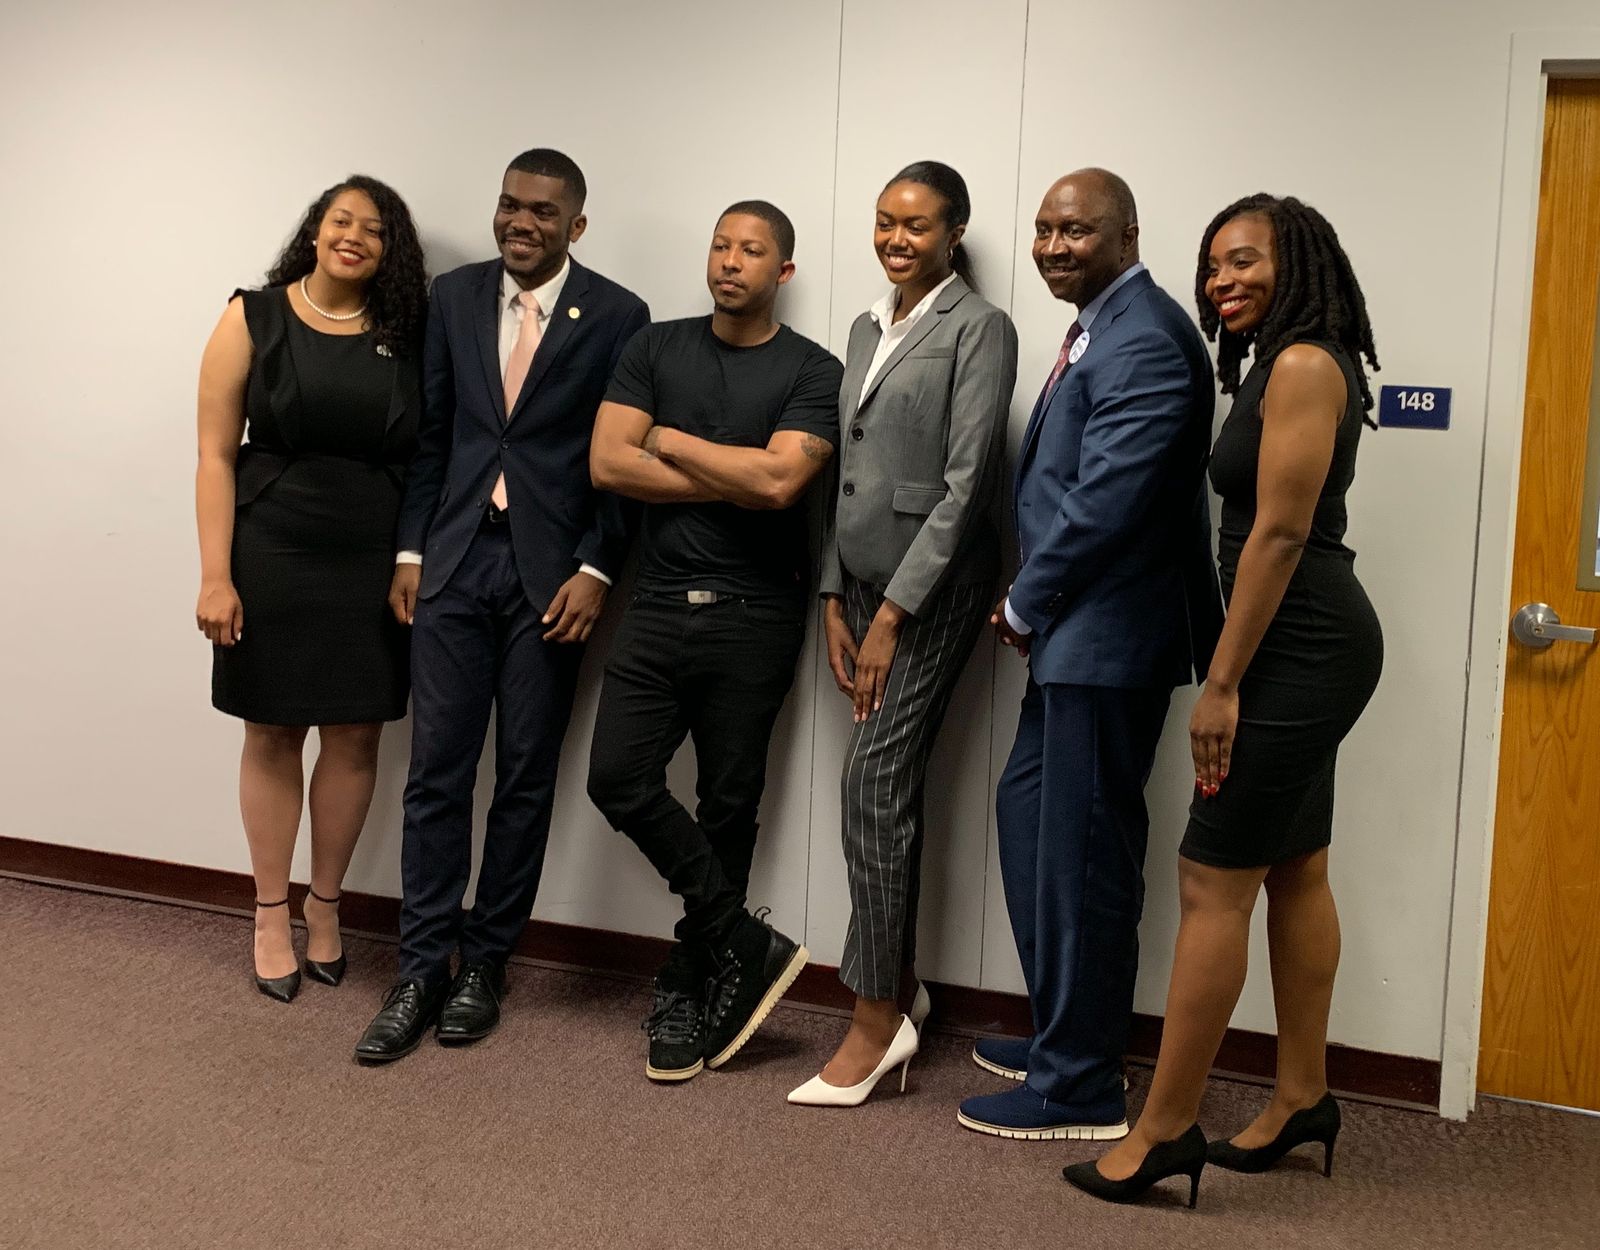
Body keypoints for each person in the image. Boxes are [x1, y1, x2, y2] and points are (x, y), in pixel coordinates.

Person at [1066, 194, 1382, 1207]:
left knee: (1212, 883)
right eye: (1212, 266)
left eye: (1244, 260)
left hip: (1295, 649)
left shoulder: (1304, 365)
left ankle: (1163, 1130)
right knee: (1296, 865)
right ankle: (1301, 1097)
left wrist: (1223, 684)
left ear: (1298, 262)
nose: (1222, 281)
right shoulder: (1285, 360)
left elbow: (1279, 535)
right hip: (1300, 642)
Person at [353, 149, 648, 1062]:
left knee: (523, 775)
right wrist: (411, 551)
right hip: (452, 564)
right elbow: (434, 435)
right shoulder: (454, 298)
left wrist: (598, 567)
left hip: (550, 580)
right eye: (511, 205)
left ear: (576, 224)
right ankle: (418, 969)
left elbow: (620, 457)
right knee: (435, 773)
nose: (522, 222)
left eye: (543, 212)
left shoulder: (618, 315)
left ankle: (486, 963)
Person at [959, 169, 1221, 1139]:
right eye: (1043, 229)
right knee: (1035, 820)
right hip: (1080, 639)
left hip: (1106, 639)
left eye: (1074, 230)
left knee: (1082, 853)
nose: (1053, 246)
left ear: (1127, 234)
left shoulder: (1144, 337)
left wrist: (1026, 601)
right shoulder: (1104, 328)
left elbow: (1107, 499)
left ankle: (1078, 1083)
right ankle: (1068, 1034)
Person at [587, 200, 843, 1083]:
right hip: (656, 603)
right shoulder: (655, 347)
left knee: (729, 806)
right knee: (616, 777)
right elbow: (607, 463)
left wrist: (665, 439)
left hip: (755, 612)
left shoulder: (814, 369)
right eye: (721, 245)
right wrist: (736, 471)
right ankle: (741, 936)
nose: (731, 261)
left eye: (752, 250)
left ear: (784, 271)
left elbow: (778, 486)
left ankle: (690, 980)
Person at [787, 162, 1017, 1108]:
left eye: (917, 225)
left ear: (953, 234)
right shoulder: (863, 325)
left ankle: (876, 1016)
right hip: (859, 584)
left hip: (931, 594)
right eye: (885, 221)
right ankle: (902, 982)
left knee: (872, 785)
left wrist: (890, 617)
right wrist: (832, 596)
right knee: (881, 789)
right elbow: (847, 469)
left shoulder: (980, 328)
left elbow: (967, 487)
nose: (896, 238)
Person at [194, 175, 428, 1003]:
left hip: (371, 554)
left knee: (356, 734)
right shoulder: (252, 316)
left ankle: (324, 908)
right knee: (271, 731)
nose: (354, 236)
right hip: (272, 547)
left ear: (390, 251)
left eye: (374, 229)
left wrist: (412, 557)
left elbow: (427, 455)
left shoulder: (409, 335)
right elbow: (214, 456)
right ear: (316, 230)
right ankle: (269, 913)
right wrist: (215, 575)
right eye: (341, 220)